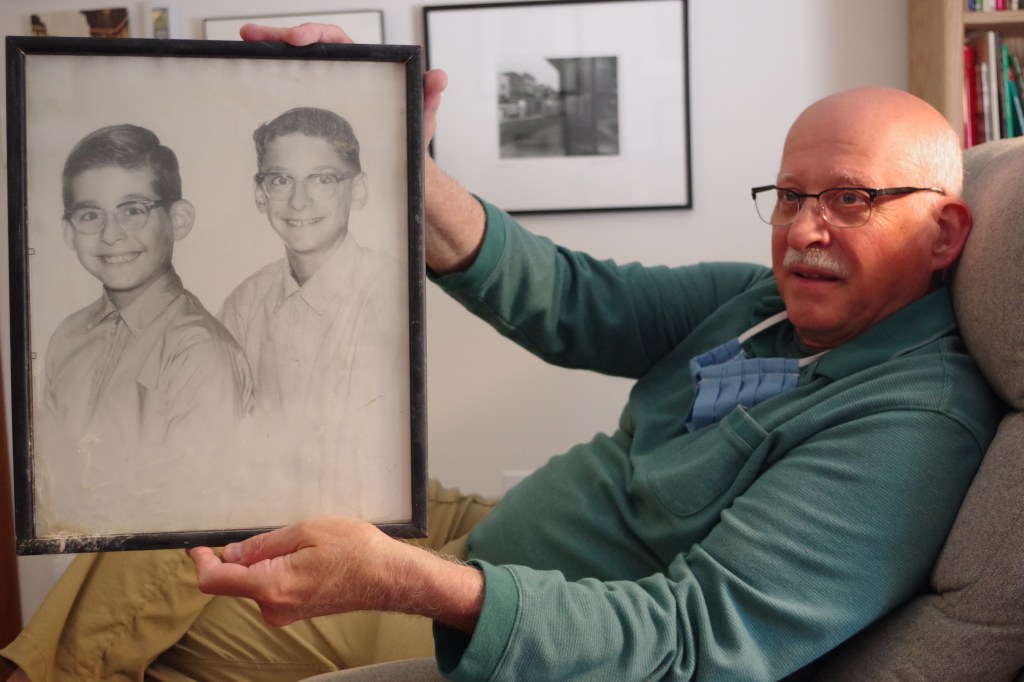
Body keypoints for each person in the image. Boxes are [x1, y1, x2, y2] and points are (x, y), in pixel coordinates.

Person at [0, 24, 1006, 682]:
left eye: (852, 199)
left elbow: (693, 642)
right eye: (789, 196)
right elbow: (567, 296)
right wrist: (402, 154)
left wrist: (408, 581)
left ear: (945, 233)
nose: (804, 229)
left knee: (178, 567)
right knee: (212, 485)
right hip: (483, 529)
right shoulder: (760, 303)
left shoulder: (909, 425)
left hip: (503, 610)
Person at [34, 123, 253, 535]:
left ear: (178, 219)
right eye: (90, 215)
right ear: (68, 231)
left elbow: (190, 513)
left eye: (133, 210)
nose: (111, 234)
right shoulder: (68, 337)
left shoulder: (199, 353)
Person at [218, 107, 408, 525]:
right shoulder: (242, 305)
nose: (299, 201)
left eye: (322, 179)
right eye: (280, 180)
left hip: (365, 530)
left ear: (358, 190)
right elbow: (227, 450)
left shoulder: (393, 293)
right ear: (260, 193)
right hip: (262, 523)